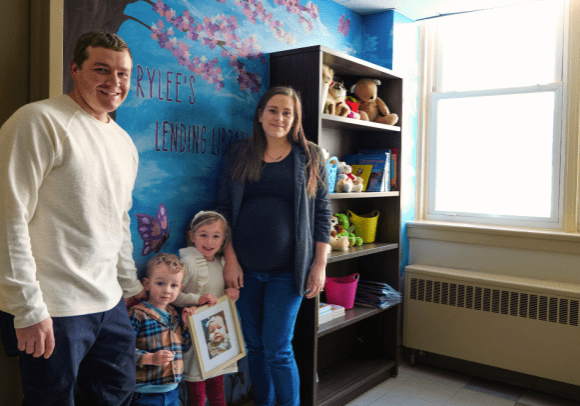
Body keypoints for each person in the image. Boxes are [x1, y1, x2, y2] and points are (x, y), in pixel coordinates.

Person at [0, 31, 146, 406]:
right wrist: (27, 307)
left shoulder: (125, 143)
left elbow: (119, 221)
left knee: (117, 395)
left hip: (109, 303)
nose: (114, 83)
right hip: (55, 308)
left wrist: (129, 287)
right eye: (101, 70)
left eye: (123, 74)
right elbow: (7, 218)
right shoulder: (38, 121)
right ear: (75, 70)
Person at [216, 86, 332, 406]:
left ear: (295, 120)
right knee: (254, 345)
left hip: (288, 271)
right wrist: (230, 260)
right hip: (245, 270)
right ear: (260, 114)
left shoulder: (310, 156)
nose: (279, 117)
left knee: (278, 348)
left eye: (287, 112)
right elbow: (224, 209)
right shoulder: (240, 152)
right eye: (272, 110)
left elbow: (323, 212)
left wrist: (319, 265)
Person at [173, 210, 239, 406]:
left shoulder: (222, 264)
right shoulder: (189, 263)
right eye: (203, 235)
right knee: (197, 394)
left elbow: (221, 302)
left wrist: (232, 296)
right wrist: (197, 299)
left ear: (223, 240)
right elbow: (174, 295)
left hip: (217, 338)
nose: (209, 241)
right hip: (195, 337)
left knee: (218, 390)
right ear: (192, 236)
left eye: (215, 236)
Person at [129, 253, 196, 406]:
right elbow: (123, 351)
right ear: (146, 284)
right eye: (160, 283)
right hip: (145, 392)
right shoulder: (137, 314)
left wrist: (185, 325)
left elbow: (183, 348)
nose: (167, 290)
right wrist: (149, 358)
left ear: (180, 289)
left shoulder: (173, 313)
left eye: (173, 285)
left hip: (172, 390)